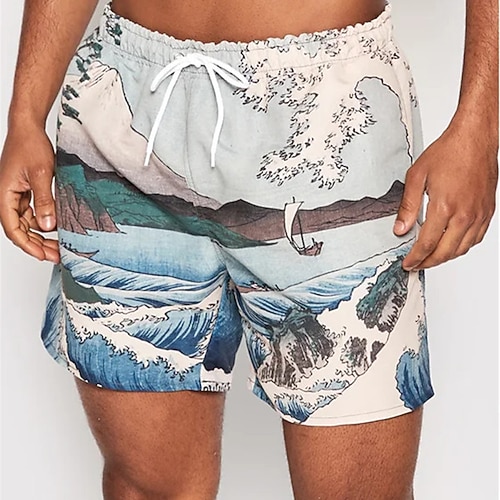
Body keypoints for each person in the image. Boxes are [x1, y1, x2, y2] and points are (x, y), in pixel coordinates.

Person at [0, 0, 497, 498]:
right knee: (146, 486)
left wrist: (481, 122)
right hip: (125, 94)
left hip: (326, 111)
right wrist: (25, 111)